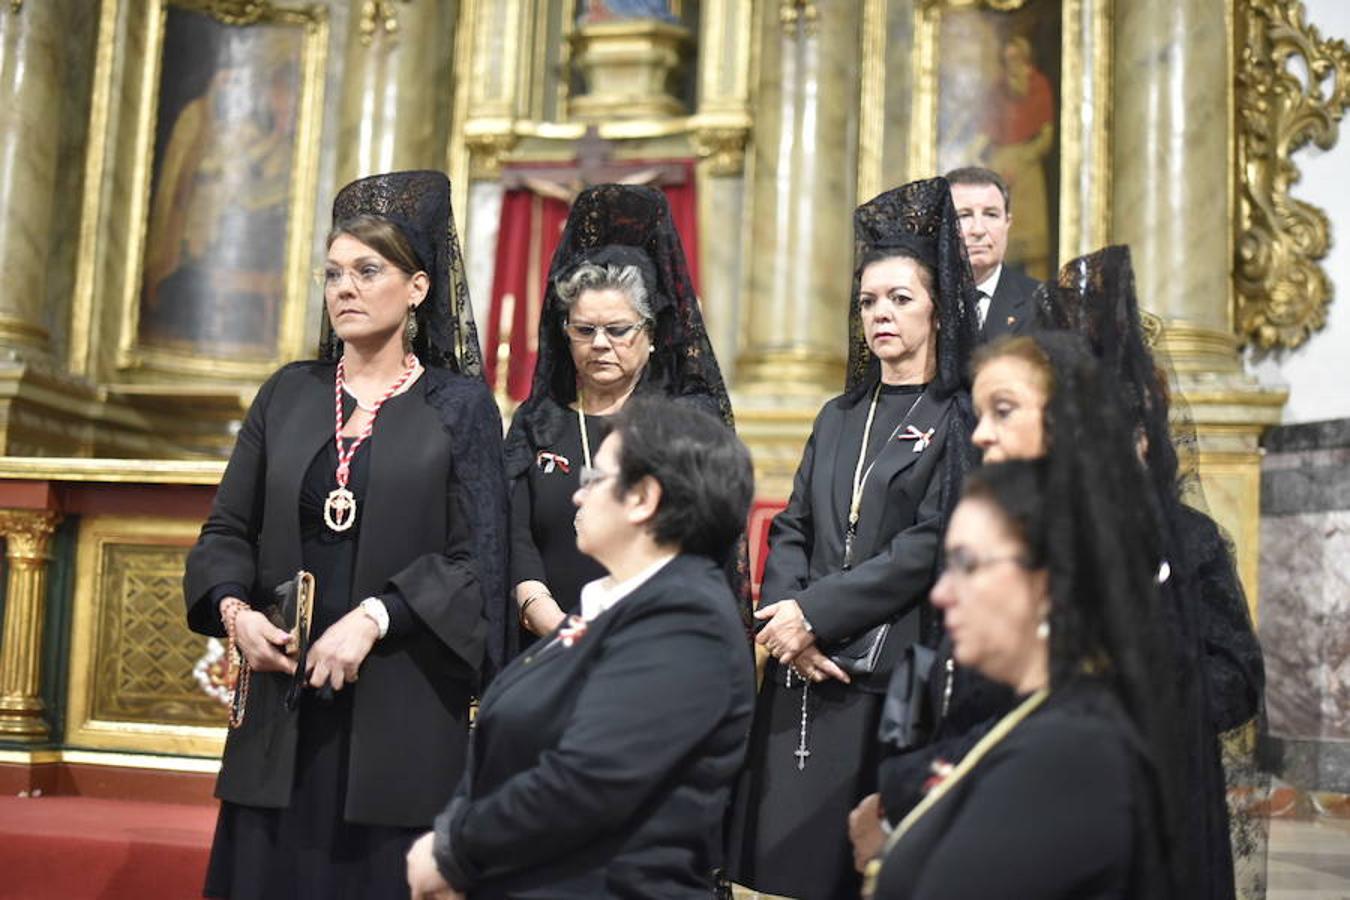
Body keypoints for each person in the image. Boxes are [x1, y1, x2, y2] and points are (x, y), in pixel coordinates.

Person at [183, 170, 508, 900]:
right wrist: (236, 616)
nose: (345, 290)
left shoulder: (458, 408)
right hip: (282, 705)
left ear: (419, 287)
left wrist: (374, 616)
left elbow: (473, 560)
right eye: (333, 274)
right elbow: (227, 529)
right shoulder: (288, 393)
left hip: (399, 703)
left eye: (368, 271)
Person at [725, 177, 980, 900]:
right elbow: (795, 524)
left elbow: (931, 543)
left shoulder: (957, 415)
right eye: (869, 301)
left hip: (894, 673)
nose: (882, 314)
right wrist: (785, 621)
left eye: (901, 298)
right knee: (783, 866)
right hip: (802, 669)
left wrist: (818, 614)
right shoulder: (839, 413)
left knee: (863, 872)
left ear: (937, 307)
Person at [404, 398, 756, 898]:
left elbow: (591, 780)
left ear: (643, 498)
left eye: (595, 479)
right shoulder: (613, 605)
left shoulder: (686, 620)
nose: (576, 496)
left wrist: (455, 850)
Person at [1041, 246, 1267, 899]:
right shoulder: (1032, 535)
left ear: (1145, 437)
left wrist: (1148, 681)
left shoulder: (1190, 540)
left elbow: (1237, 679)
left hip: (1159, 786)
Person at [864, 458, 1179, 899]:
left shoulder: (1071, 750)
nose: (941, 593)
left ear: (1050, 582)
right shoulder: (1047, 710)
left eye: (966, 564)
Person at [504, 183, 736, 644]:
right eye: (584, 329)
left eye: (618, 329)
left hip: (649, 641)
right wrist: (543, 611)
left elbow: (699, 546)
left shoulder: (686, 424)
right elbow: (513, 533)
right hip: (542, 640)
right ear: (564, 333)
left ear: (650, 334)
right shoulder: (538, 421)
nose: (600, 343)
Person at [946, 166, 1038, 341]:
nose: (978, 230)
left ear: (1007, 223)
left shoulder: (1041, 303)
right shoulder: (921, 299)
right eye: (964, 215)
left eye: (991, 214)